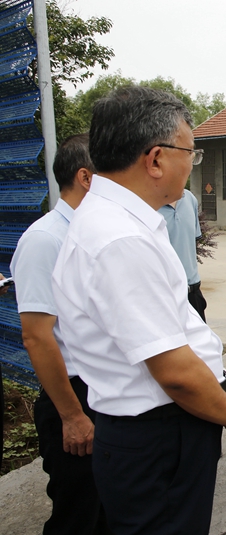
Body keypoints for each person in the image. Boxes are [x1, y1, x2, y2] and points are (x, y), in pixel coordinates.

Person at [51, 86, 226, 535]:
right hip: (159, 437)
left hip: (158, 431)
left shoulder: (121, 221)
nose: (192, 164)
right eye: (191, 153)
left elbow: (180, 327)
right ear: (157, 159)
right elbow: (175, 371)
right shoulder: (120, 238)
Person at [10, 133, 111, 535]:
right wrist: (72, 416)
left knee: (107, 510)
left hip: (104, 390)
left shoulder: (93, 233)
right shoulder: (44, 240)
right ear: (86, 178)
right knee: (77, 515)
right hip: (72, 395)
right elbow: (37, 337)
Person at [158, 189, 207, 321]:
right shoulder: (147, 204)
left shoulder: (190, 199)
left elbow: (191, 241)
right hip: (164, 294)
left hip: (192, 290)